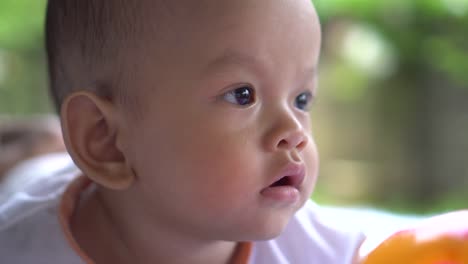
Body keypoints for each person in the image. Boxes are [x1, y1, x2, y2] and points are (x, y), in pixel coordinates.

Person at [0, 1, 367, 263]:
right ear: (108, 142)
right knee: (26, 158)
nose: (294, 131)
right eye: (242, 95)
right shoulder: (19, 248)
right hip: (30, 175)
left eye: (302, 99)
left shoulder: (324, 249)